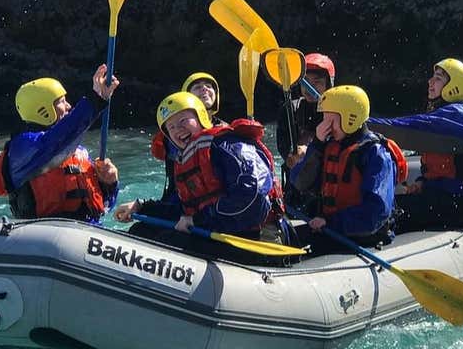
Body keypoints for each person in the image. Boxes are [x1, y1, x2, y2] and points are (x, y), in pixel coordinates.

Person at [115, 92, 285, 243]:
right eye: (171, 127)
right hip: (216, 229)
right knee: (140, 231)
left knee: (172, 240)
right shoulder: (186, 158)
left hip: (257, 235)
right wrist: (142, 207)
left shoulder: (229, 145)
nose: (178, 129)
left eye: (183, 120)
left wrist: (198, 220)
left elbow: (253, 198)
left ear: (201, 117)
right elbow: (186, 209)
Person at [368, 58, 463, 232]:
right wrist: (423, 182)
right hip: (447, 197)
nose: (430, 82)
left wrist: (360, 124)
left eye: (438, 78)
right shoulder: (454, 113)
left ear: (454, 87)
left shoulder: (458, 115)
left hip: (455, 203)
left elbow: (403, 129)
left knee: (378, 215)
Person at [0, 65, 120, 223]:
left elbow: (105, 207)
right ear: (43, 109)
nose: (68, 106)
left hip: (86, 231)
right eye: (62, 101)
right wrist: (96, 99)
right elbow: (56, 141)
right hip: (43, 233)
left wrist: (109, 184)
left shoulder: (78, 151)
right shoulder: (24, 147)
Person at [289, 85, 407, 251]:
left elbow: (376, 213)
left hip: (363, 236)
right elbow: (300, 183)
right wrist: (316, 145)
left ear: (350, 118)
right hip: (332, 229)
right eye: (324, 119)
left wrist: (331, 222)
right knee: (285, 238)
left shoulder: (376, 153)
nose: (325, 126)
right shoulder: (327, 146)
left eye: (330, 120)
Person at [150, 72, 227, 202]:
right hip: (179, 198)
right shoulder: (172, 135)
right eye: (197, 87)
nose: (204, 89)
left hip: (216, 205)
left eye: (209, 86)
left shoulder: (225, 132)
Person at [276, 53, 335, 171]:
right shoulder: (290, 109)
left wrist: (310, 150)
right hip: (299, 177)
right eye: (306, 82)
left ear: (328, 85)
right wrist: (293, 153)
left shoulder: (336, 112)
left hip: (325, 173)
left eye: (317, 82)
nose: (309, 88)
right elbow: (284, 147)